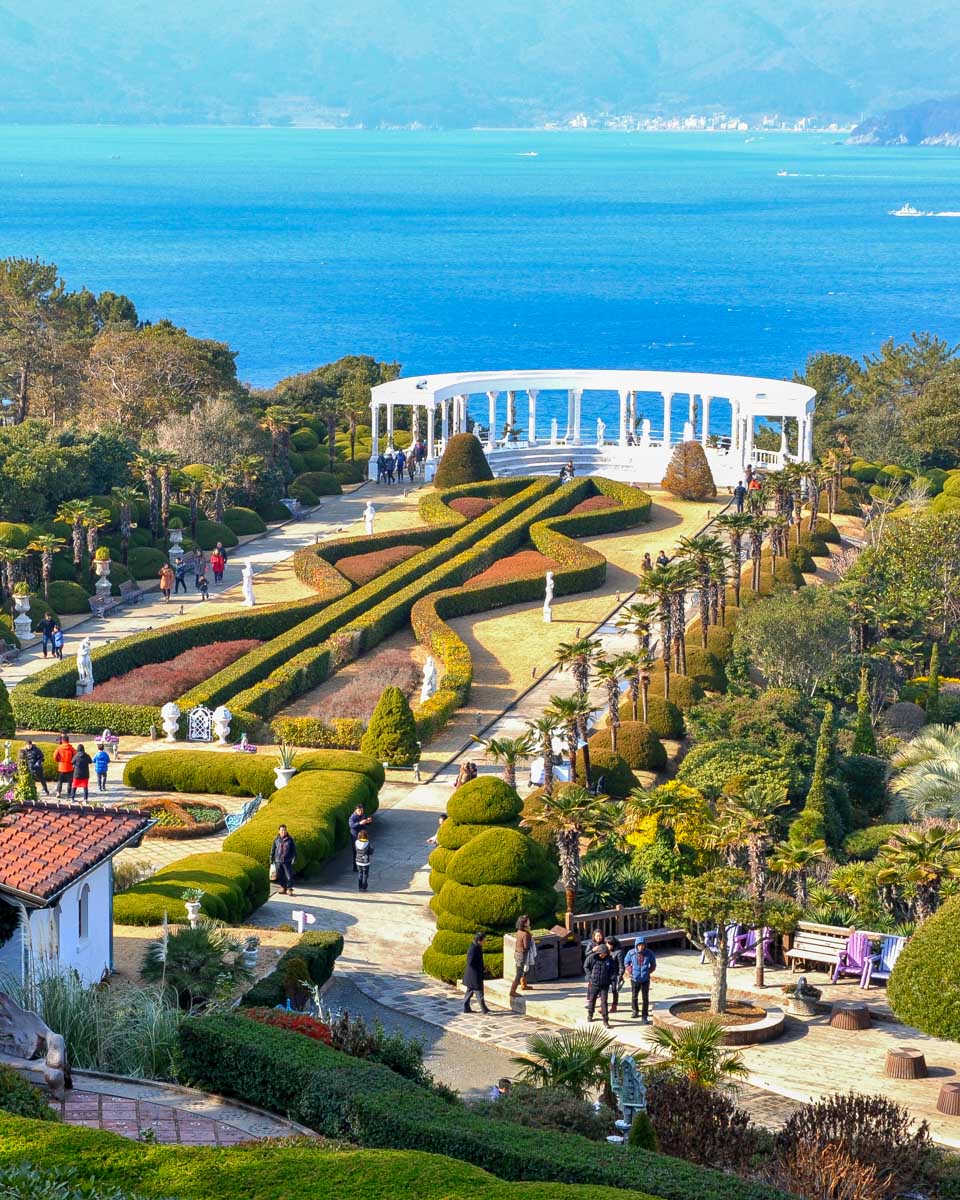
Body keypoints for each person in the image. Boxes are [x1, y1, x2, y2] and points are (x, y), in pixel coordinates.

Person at [624, 936, 658, 1023]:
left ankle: (644, 1016)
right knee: (634, 996)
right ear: (636, 945)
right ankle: (635, 1011)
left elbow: (653, 965)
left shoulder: (649, 953)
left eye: (642, 945)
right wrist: (631, 971)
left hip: (645, 980)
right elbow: (626, 962)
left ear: (645, 945)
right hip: (634, 979)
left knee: (645, 998)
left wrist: (648, 972)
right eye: (639, 945)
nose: (641, 947)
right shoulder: (631, 953)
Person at [585, 942, 615, 1027]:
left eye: (605, 954)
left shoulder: (609, 960)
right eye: (601, 954)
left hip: (605, 984)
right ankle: (590, 1014)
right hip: (594, 983)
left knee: (604, 1002)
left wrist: (613, 980)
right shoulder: (592, 958)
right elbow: (586, 966)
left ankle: (605, 1020)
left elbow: (613, 970)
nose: (603, 956)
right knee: (592, 1000)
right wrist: (590, 976)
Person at [463, 930, 490, 1014]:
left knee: (469, 992)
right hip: (474, 975)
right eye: (483, 940)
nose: (484, 942)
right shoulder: (473, 949)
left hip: (475, 975)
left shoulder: (477, 946)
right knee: (479, 992)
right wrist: (478, 970)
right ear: (479, 940)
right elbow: (470, 963)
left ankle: (466, 1008)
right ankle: (484, 1009)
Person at [509, 914, 534, 998]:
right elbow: (526, 946)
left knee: (524, 970)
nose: (529, 921)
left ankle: (524, 984)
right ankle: (512, 991)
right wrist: (531, 939)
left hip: (517, 953)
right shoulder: (526, 934)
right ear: (525, 923)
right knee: (519, 973)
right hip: (522, 955)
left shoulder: (519, 931)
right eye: (528, 921)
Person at [270, 824, 297, 895]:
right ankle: (283, 888)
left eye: (285, 830)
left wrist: (294, 858)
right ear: (279, 831)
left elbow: (294, 850)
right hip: (278, 860)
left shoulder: (290, 839)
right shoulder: (276, 839)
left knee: (289, 875)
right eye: (282, 830)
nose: (283, 831)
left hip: (287, 860)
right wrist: (271, 858)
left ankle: (289, 889)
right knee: (280, 875)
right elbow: (273, 849)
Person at [348, 805, 373, 872]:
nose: (361, 812)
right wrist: (359, 823)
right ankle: (355, 867)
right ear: (355, 810)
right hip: (355, 837)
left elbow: (366, 823)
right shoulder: (352, 817)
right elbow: (351, 826)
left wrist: (368, 821)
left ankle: (363, 865)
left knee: (365, 850)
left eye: (362, 810)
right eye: (359, 810)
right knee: (356, 852)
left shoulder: (363, 815)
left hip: (363, 836)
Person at [604, 935, 625, 1014]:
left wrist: (620, 975)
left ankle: (614, 1006)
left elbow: (621, 965)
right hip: (607, 973)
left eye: (608, 944)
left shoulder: (619, 952)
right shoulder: (607, 951)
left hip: (615, 974)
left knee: (614, 990)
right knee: (604, 990)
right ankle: (603, 1006)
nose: (607, 945)